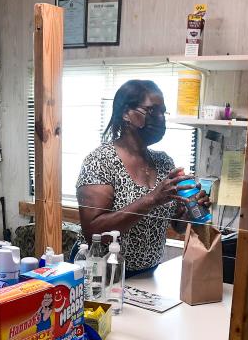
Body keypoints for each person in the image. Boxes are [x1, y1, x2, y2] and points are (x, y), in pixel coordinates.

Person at [76, 80, 209, 276]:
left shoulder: (164, 163)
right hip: (101, 277)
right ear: (125, 114)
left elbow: (177, 226)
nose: (160, 118)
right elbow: (93, 232)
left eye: (163, 111)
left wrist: (191, 213)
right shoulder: (100, 161)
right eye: (152, 110)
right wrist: (151, 199)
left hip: (148, 275)